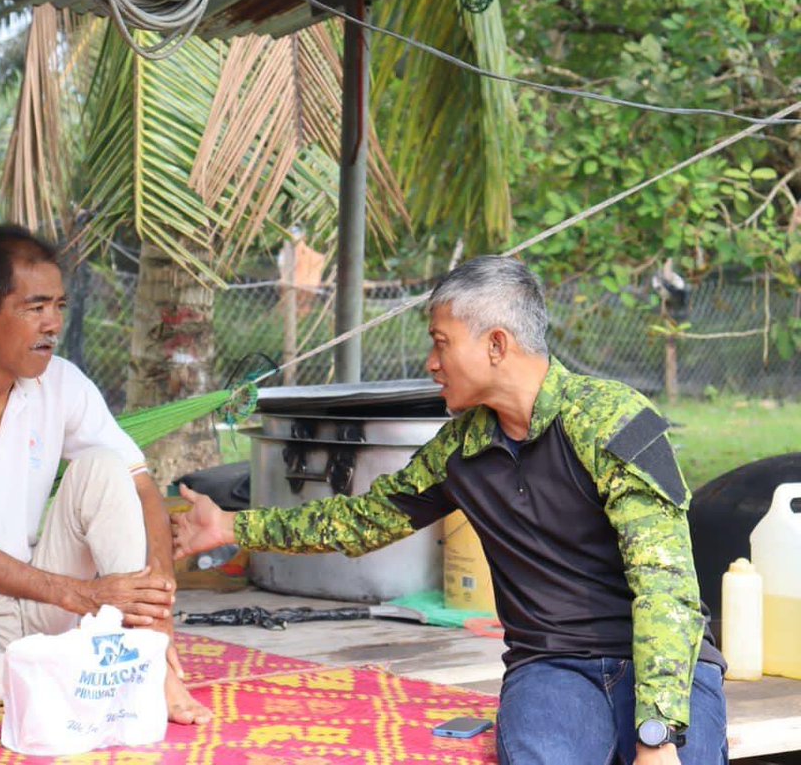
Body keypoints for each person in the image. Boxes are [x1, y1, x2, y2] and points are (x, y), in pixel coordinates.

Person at [173, 255, 727, 765]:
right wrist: (230, 525)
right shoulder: (458, 450)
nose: (431, 362)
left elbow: (666, 584)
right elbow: (362, 520)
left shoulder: (609, 418)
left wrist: (656, 730)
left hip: (666, 665)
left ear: (496, 344)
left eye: (442, 342)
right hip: (552, 666)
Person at [0, 224, 211, 724]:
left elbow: (140, 488)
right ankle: (97, 673)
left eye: (60, 307)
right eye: (35, 307)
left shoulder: (63, 383)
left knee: (106, 469)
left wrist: (156, 614)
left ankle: (138, 661)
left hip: (38, 604)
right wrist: (84, 596)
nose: (53, 324)